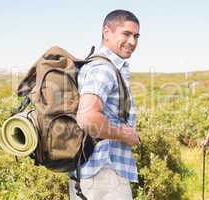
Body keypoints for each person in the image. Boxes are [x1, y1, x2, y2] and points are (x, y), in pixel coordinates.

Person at [69, 9, 141, 200]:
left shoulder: (105, 66)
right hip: (103, 175)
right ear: (106, 32)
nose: (132, 42)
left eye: (136, 36)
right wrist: (124, 134)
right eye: (126, 34)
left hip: (96, 175)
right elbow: (87, 118)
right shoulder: (103, 68)